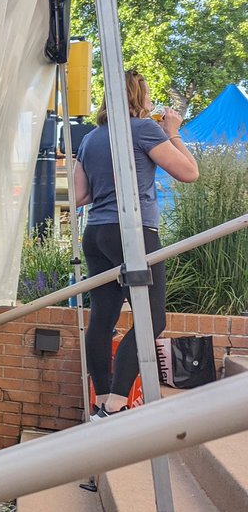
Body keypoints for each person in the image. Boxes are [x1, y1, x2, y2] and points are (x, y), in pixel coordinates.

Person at [75, 70, 199, 419]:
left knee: (103, 317)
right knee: (153, 317)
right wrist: (172, 133)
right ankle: (116, 404)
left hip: (97, 233)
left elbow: (80, 195)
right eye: (147, 95)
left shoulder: (91, 138)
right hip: (132, 231)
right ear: (137, 97)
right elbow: (189, 173)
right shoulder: (144, 129)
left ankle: (100, 398)